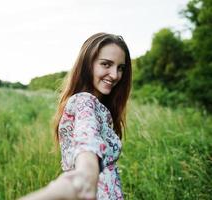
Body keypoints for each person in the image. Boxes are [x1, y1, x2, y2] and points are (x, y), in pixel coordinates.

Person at [19, 32, 132, 200]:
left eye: (120, 68)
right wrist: (85, 175)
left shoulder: (98, 106)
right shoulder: (84, 101)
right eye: (106, 64)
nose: (115, 75)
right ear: (88, 64)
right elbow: (87, 140)